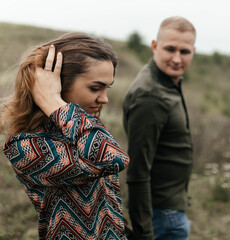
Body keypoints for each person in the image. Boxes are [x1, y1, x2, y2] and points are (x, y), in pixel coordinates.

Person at [0, 33, 131, 240]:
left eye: (107, 88)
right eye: (95, 88)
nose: (104, 99)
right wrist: (51, 99)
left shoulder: (83, 126)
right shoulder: (25, 146)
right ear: (58, 83)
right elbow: (111, 157)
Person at [122, 16, 196, 240]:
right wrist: (144, 234)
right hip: (162, 215)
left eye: (184, 52)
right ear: (155, 46)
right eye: (170, 49)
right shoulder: (151, 96)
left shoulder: (167, 83)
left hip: (169, 209)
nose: (176, 59)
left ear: (194, 51)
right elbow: (138, 170)